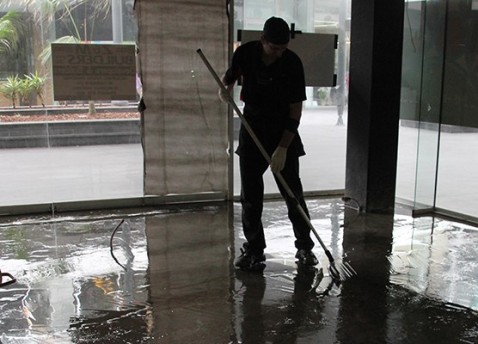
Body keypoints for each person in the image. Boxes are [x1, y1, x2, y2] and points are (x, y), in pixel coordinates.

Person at [219, 16, 318, 271]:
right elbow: (230, 76)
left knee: (292, 193)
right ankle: (254, 250)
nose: (279, 53)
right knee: (250, 197)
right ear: (263, 40)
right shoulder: (245, 54)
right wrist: (225, 87)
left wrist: (283, 147)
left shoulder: (292, 64)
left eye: (283, 48)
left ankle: (305, 248)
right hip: (252, 128)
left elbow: (296, 110)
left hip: (282, 128)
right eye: (274, 48)